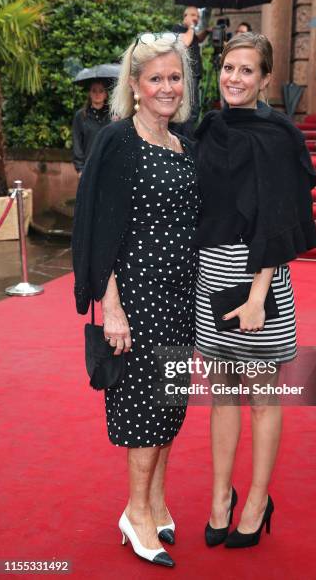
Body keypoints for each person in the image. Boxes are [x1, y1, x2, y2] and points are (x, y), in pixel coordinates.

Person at [72, 32, 199, 567]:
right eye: (156, 79)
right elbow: (99, 228)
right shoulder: (118, 142)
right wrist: (113, 307)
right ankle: (135, 512)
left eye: (175, 78)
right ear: (135, 85)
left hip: (180, 299)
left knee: (171, 405)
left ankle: (156, 501)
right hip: (138, 299)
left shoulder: (184, 144)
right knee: (145, 411)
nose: (167, 88)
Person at [193, 32, 316, 549]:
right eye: (228, 67)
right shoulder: (210, 128)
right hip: (212, 278)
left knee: (264, 400)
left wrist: (257, 296)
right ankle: (220, 497)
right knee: (222, 399)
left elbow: (280, 217)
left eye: (247, 70)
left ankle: (257, 500)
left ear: (266, 79)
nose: (234, 78)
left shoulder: (278, 135)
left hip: (258, 283)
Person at [172, 7, 209, 136]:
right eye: (193, 15)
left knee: (193, 107)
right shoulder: (178, 29)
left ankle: (187, 135)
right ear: (185, 16)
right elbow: (185, 42)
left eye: (197, 16)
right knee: (191, 108)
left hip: (194, 74)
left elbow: (196, 39)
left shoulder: (189, 32)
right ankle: (185, 138)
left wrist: (207, 32)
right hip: (187, 75)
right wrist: (192, 27)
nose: (196, 18)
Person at [72, 80, 110, 176]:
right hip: (88, 168)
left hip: (109, 166)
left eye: (101, 91)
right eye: (94, 91)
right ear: (89, 93)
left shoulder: (114, 116)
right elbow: (77, 143)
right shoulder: (80, 116)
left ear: (106, 94)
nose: (97, 94)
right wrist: (80, 168)